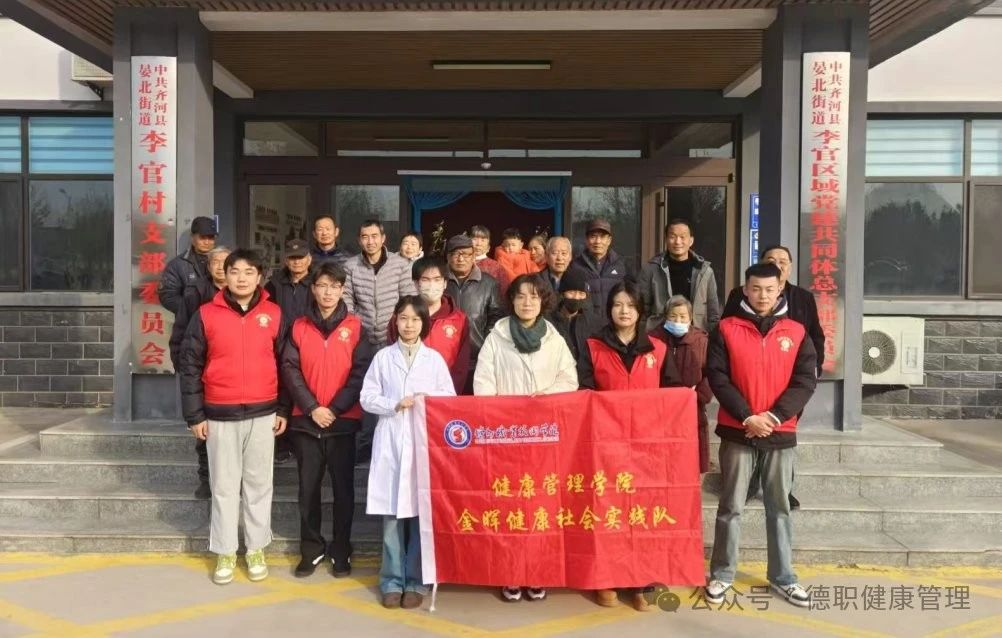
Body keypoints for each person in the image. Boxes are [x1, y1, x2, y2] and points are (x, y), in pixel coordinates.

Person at [704, 263, 817, 610]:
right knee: (731, 506)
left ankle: (784, 576)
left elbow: (805, 380)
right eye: (756, 289)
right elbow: (717, 376)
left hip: (779, 431)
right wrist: (747, 416)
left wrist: (773, 416)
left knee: (779, 507)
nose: (762, 295)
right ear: (745, 289)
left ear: (780, 289)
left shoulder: (796, 331)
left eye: (769, 289)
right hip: (738, 430)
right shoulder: (726, 329)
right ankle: (722, 573)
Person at [179, 248, 289, 586]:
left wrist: (284, 408)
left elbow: (286, 364)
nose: (241, 278)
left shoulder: (274, 313)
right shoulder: (205, 314)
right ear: (224, 276)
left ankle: (256, 548)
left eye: (249, 272)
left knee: (259, 485)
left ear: (260, 277)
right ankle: (225, 551)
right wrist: (195, 415)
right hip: (219, 414)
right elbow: (190, 365)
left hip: (263, 412)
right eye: (235, 271)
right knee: (224, 486)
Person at [577, 281, 683, 612]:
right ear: (609, 309)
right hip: (605, 446)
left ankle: (643, 580)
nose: (624, 311)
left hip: (647, 448)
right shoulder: (593, 346)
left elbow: (673, 395)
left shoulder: (658, 349)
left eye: (631, 305)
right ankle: (607, 577)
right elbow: (583, 392)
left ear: (641, 311)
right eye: (618, 304)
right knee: (608, 511)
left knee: (644, 513)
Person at [473, 273, 578, 602]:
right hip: (506, 435)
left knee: (540, 506)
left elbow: (569, 379)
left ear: (543, 300)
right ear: (512, 301)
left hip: (543, 436)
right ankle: (511, 572)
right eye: (521, 296)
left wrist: (545, 397)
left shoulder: (553, 337)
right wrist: (502, 412)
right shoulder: (497, 335)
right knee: (508, 506)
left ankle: (538, 571)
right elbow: (483, 381)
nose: (527, 302)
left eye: (534, 296)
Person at [281, 262, 375, 580]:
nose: (328, 292)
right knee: (308, 490)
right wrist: (311, 407)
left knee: (343, 491)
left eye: (334, 286)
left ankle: (341, 548)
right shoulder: (298, 326)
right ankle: (311, 549)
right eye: (322, 285)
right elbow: (290, 370)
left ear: (342, 290)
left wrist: (334, 409)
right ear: (313, 288)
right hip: (306, 423)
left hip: (342, 422)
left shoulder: (356, 327)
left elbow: (360, 373)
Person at [361, 296, 456, 610]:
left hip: (421, 444)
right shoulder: (383, 358)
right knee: (391, 520)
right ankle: (391, 581)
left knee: (418, 516)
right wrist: (393, 404)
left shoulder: (434, 360)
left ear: (424, 323)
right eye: (403, 318)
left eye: (415, 319)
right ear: (395, 321)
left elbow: (449, 397)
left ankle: (415, 581)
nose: (409, 324)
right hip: (391, 441)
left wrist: (429, 399)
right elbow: (366, 397)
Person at [722, 245, 824, 510]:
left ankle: (783, 489)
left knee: (781, 435)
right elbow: (726, 339)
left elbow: (815, 335)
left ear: (788, 269)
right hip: (746, 383)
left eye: (782, 261)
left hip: (786, 386)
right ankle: (748, 485)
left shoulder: (802, 297)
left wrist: (814, 370)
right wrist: (747, 414)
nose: (777, 265)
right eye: (771, 260)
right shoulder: (739, 296)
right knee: (746, 442)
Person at [169, 245, 230, 500]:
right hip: (202, 372)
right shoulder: (195, 292)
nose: (220, 267)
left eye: (225, 262)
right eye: (215, 262)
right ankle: (206, 479)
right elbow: (180, 332)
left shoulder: (243, 293)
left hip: (231, 374)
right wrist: (183, 367)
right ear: (208, 266)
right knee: (205, 430)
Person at [648, 295, 713, 474]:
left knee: (690, 457)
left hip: (692, 405)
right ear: (665, 317)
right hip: (661, 406)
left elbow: (711, 373)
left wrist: (699, 395)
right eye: (673, 316)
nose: (678, 321)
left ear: (690, 318)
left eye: (683, 317)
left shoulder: (701, 340)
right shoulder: (653, 338)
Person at [389, 257, 471, 394]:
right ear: (416, 283)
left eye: (437, 280)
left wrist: (449, 395)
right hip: (406, 395)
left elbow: (461, 367)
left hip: (445, 396)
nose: (432, 285)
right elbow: (392, 358)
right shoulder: (401, 317)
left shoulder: (459, 320)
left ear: (445, 283)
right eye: (426, 280)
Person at [444, 234, 505, 393]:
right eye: (455, 254)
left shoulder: (489, 283)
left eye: (466, 254)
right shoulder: (439, 281)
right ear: (448, 257)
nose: (461, 258)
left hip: (477, 360)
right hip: (444, 361)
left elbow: (497, 316)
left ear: (473, 257)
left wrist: (486, 342)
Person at [342, 220, 417, 348]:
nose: (370, 241)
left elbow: (409, 298)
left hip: (393, 336)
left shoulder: (399, 264)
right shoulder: (351, 265)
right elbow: (346, 296)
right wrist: (353, 323)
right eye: (365, 237)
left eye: (374, 236)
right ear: (359, 240)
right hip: (362, 337)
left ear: (383, 238)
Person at [639, 219, 720, 334]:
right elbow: (643, 309)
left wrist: (711, 339)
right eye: (672, 237)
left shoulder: (705, 271)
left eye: (683, 237)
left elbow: (713, 313)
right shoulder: (651, 269)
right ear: (666, 239)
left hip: (695, 336)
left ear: (691, 240)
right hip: (660, 336)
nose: (677, 241)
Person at [158, 216, 217, 314]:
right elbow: (168, 297)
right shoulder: (177, 265)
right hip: (189, 320)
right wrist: (195, 310)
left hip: (219, 319)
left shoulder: (226, 261)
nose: (207, 242)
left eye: (210, 238)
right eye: (202, 237)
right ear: (192, 237)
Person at [571, 219, 630, 317]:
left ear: (609, 240)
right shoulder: (576, 266)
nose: (598, 241)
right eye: (593, 236)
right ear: (586, 240)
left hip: (613, 322)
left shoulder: (621, 265)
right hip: (586, 322)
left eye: (602, 237)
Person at [546, 266, 602, 360]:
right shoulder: (549, 321)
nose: (576, 297)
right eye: (571, 292)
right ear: (562, 293)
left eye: (581, 294)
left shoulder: (594, 323)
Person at [265, 238, 314, 332]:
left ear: (309, 259)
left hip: (309, 336)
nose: (297, 262)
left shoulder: (319, 284)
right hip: (280, 337)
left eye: (300, 257)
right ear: (286, 261)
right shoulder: (273, 285)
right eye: (292, 258)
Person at [469, 225, 510, 296]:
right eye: (475, 239)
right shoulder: (459, 264)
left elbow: (504, 292)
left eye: (483, 240)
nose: (478, 244)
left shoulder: (497, 267)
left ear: (488, 247)